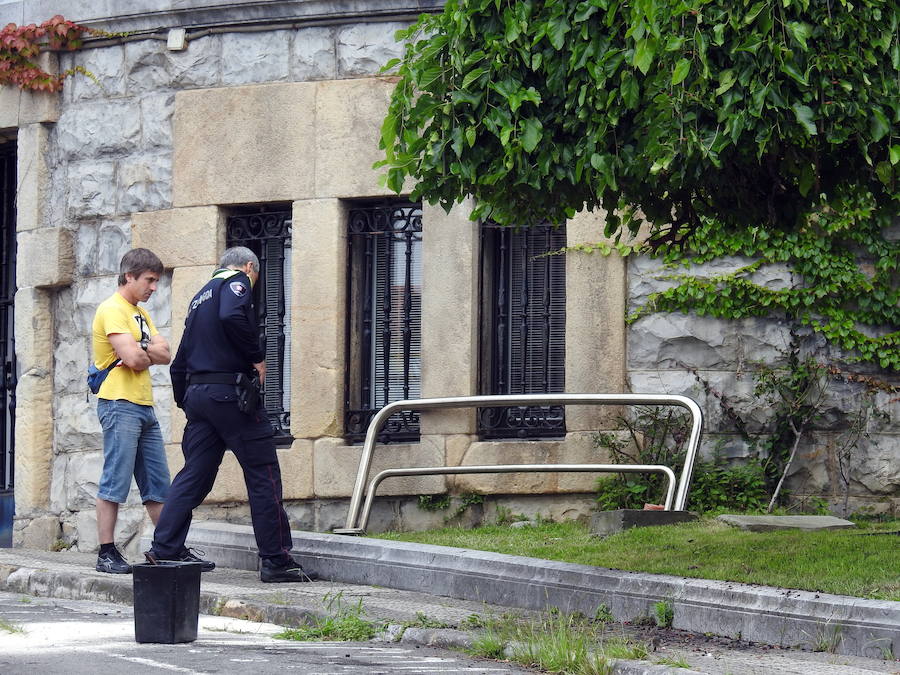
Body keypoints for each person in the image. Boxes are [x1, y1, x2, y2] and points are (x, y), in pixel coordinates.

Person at [146, 246, 315, 582]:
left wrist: (189, 402)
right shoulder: (235, 282)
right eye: (253, 276)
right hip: (229, 396)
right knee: (263, 473)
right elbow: (232, 317)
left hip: (199, 397)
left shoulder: (198, 298)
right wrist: (256, 357)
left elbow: (180, 361)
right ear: (249, 267)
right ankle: (276, 561)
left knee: (195, 473)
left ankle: (165, 548)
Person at [91, 248, 173, 574]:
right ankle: (106, 553)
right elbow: (141, 359)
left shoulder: (139, 313)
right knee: (115, 481)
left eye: (156, 281)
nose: (154, 287)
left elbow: (165, 354)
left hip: (143, 405)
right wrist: (144, 350)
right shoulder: (112, 309)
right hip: (118, 403)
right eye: (149, 280)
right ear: (130, 276)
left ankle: (169, 547)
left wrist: (140, 349)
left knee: (157, 484)